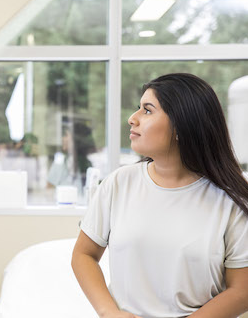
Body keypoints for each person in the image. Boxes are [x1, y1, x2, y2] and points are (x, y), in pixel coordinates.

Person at [71, 73, 248, 318]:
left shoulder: (231, 201)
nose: (132, 119)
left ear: (181, 126)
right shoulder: (119, 183)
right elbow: (83, 255)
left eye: (147, 110)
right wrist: (109, 312)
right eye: (138, 109)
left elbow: (241, 291)